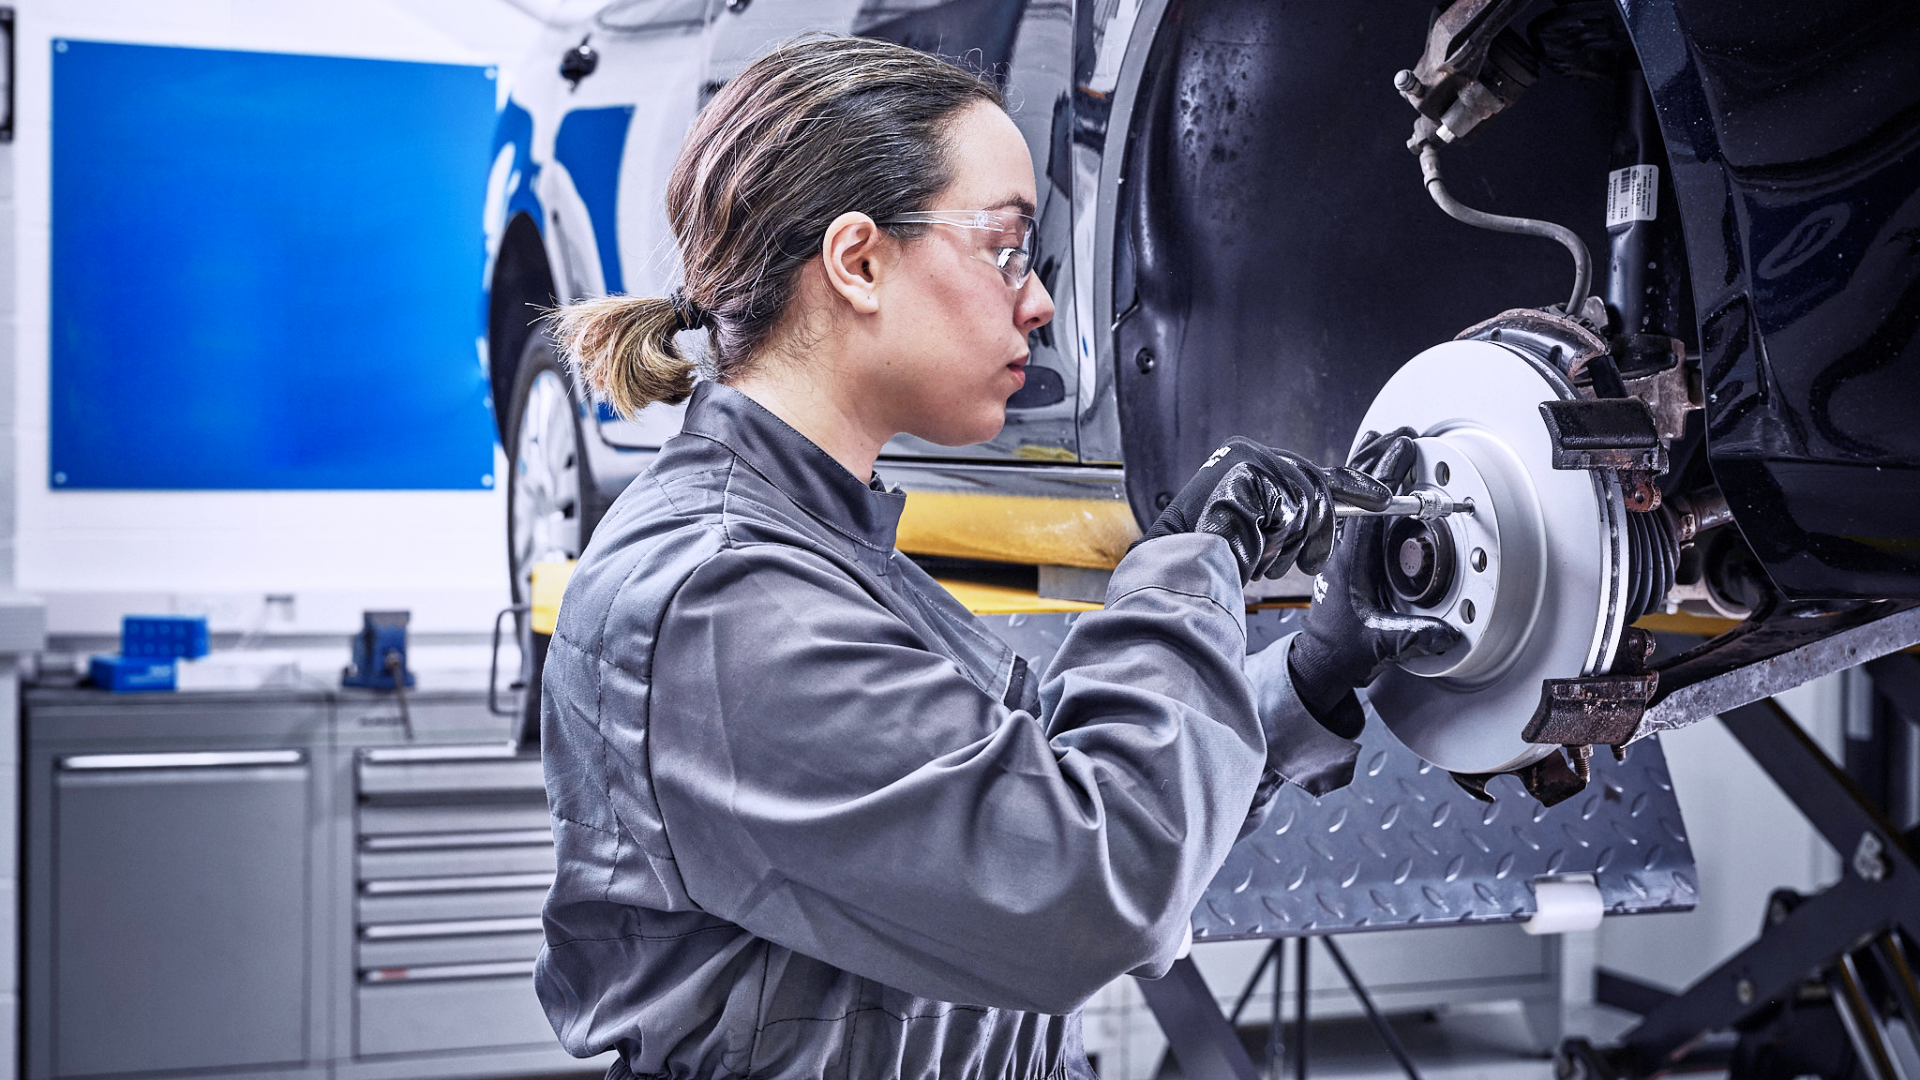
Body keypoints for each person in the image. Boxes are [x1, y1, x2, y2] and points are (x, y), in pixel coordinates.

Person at [534, 35, 1457, 1080]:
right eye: (1009, 249)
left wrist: (1310, 673)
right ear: (858, 261)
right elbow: (1088, 881)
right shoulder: (719, 599)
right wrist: (1194, 567)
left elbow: (1044, 794)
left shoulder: (823, 553)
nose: (1042, 301)